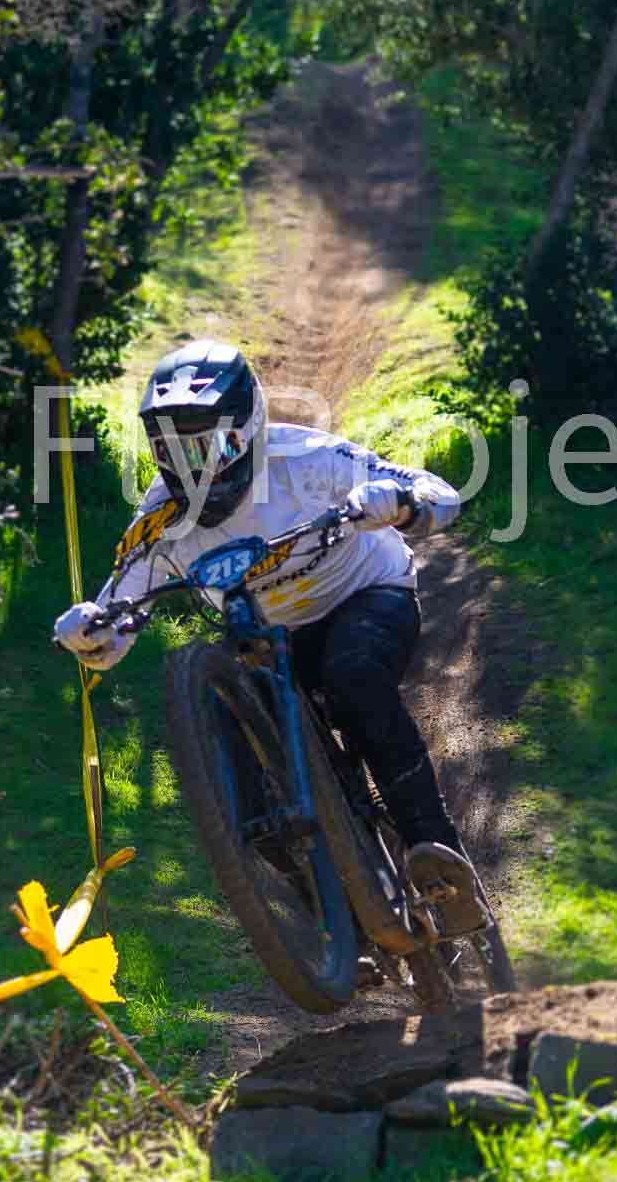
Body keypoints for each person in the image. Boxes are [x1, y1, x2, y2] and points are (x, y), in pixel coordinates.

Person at [53, 338, 484, 927]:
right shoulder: (160, 519)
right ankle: (334, 925)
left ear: (250, 423)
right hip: (266, 637)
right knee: (240, 782)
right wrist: (90, 631)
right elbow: (117, 621)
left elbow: (439, 493)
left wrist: (401, 503)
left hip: (364, 595)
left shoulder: (307, 458)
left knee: (355, 678)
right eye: (172, 450)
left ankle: (442, 865)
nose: (194, 466)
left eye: (209, 443)